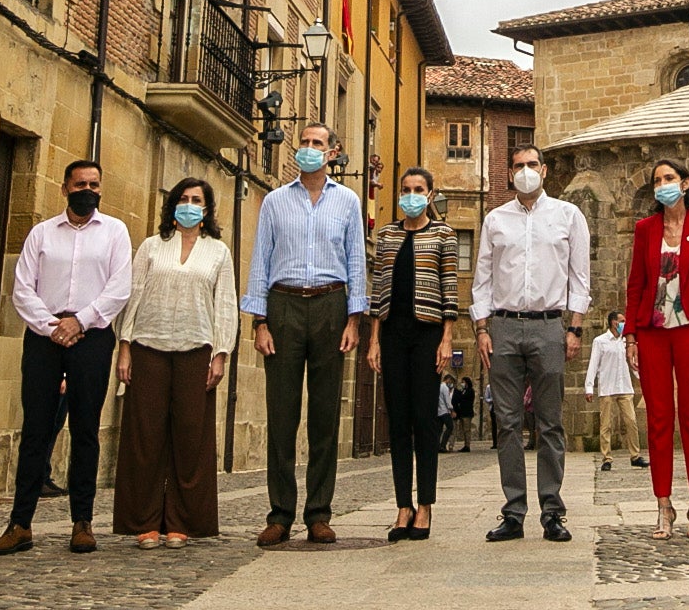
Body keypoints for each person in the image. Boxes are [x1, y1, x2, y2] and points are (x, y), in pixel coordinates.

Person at [0, 160, 131, 558]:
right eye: (81, 183)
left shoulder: (116, 233)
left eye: (95, 183)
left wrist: (79, 322)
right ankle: (20, 523)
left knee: (85, 429)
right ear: (65, 188)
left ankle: (82, 522)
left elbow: (119, 288)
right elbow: (22, 289)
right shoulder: (41, 234)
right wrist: (53, 326)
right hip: (43, 338)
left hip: (92, 336)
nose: (88, 189)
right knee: (36, 429)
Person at [240, 122, 367, 547]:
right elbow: (261, 259)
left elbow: (356, 261)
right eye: (306, 142)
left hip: (331, 305)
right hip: (283, 305)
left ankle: (319, 514)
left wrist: (354, 319)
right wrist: (259, 322)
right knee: (282, 413)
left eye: (318, 143)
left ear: (333, 152)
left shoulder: (347, 202)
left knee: (325, 415)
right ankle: (279, 514)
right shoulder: (275, 201)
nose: (310, 149)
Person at [471, 142, 590, 542]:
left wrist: (574, 328)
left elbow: (579, 277)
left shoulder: (568, 215)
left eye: (532, 164)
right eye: (518, 165)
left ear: (544, 170)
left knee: (550, 422)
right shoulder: (495, 220)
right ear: (509, 174)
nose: (525, 170)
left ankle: (553, 511)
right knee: (506, 423)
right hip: (503, 325)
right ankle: (514, 512)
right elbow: (483, 278)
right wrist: (482, 328)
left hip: (548, 325)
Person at [112, 176, 236, 546]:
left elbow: (225, 303)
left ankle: (182, 521)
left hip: (196, 349)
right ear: (172, 205)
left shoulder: (218, 251)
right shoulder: (152, 246)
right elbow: (131, 296)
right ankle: (144, 522)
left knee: (190, 437)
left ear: (207, 208)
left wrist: (221, 354)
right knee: (144, 437)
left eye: (197, 199)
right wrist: (125, 345)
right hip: (148, 347)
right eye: (183, 198)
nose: (189, 204)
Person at [624, 156, 689, 539]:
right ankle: (663, 505)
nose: (663, 184)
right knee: (659, 419)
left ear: (685, 184)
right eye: (657, 180)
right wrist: (630, 335)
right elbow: (636, 282)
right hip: (652, 332)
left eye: (669, 178)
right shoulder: (645, 229)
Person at [366, 165, 459, 541]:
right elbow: (378, 292)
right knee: (398, 420)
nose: (411, 194)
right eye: (406, 189)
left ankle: (425, 506)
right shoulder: (387, 235)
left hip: (428, 334)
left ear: (431, 194)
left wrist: (447, 338)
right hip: (392, 333)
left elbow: (450, 288)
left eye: (419, 189)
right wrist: (374, 339)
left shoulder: (444, 235)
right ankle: (402, 505)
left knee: (424, 420)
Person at [586, 310, 643, 471]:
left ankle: (635, 455)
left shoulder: (627, 341)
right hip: (607, 387)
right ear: (613, 322)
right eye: (621, 320)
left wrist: (642, 378)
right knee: (606, 425)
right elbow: (593, 364)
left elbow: (633, 363)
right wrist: (589, 387)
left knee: (631, 421)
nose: (624, 323)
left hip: (624, 385)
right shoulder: (600, 341)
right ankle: (606, 457)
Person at [452, 368, 477, 452]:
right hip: (462, 412)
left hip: (467, 413)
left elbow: (464, 399)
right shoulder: (463, 391)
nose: (462, 383)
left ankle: (467, 445)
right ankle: (465, 445)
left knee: (467, 430)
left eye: (463, 382)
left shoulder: (470, 391)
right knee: (464, 430)